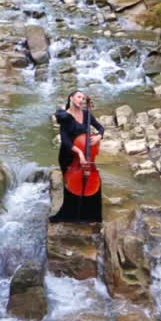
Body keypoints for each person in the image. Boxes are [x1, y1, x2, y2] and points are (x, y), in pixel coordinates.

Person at [50, 90, 105, 223]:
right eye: (79, 97)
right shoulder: (65, 117)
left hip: (87, 155)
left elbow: (100, 127)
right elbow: (65, 140)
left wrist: (98, 136)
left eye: (83, 98)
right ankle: (69, 215)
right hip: (69, 155)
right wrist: (79, 153)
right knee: (70, 185)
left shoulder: (86, 114)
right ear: (71, 98)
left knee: (93, 183)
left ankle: (90, 215)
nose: (81, 99)